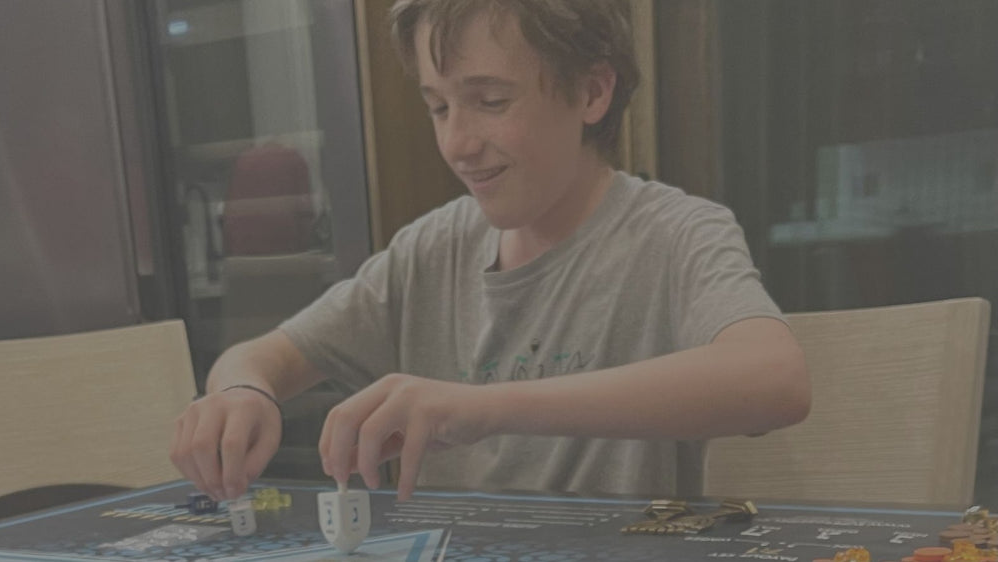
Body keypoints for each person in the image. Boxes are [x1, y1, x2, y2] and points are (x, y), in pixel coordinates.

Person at [170, 0, 810, 504]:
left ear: (592, 92)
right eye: (438, 107)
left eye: (490, 101)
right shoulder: (431, 247)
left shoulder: (674, 233)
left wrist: (478, 407)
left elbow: (775, 380)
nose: (457, 143)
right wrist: (243, 393)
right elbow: (262, 357)